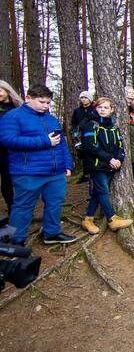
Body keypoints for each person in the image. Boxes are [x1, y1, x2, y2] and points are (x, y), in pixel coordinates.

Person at [0, 84, 76, 245]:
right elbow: (8, 140)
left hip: (55, 172)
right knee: (23, 206)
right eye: (42, 102)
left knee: (55, 203)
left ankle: (52, 233)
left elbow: (61, 143)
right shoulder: (13, 116)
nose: (46, 106)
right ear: (28, 98)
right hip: (27, 172)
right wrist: (44, 141)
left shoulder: (51, 118)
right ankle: (16, 239)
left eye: (48, 103)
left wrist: (68, 164)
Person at [79, 98, 133, 234]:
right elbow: (90, 146)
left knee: (98, 193)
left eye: (106, 107)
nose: (102, 110)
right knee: (103, 191)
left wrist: (119, 159)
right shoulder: (91, 124)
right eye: (100, 107)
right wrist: (110, 159)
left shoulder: (114, 127)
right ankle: (112, 219)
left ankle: (87, 219)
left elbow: (121, 146)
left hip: (111, 166)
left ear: (111, 110)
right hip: (96, 166)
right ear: (95, 109)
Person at [0, 81, 23, 223]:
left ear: (7, 90)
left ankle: (16, 209)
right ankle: (11, 208)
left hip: (14, 151)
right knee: (5, 182)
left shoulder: (19, 108)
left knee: (12, 180)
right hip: (0, 151)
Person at [69, 90, 97, 183]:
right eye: (82, 98)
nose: (84, 100)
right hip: (80, 136)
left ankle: (93, 173)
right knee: (83, 154)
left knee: (92, 153)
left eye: (85, 97)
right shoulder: (77, 111)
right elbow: (73, 122)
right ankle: (85, 174)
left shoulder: (94, 110)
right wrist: (74, 131)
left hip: (92, 134)